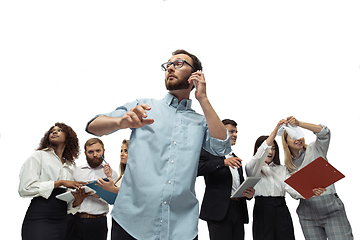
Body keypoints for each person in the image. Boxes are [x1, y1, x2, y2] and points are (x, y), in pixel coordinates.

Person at [86, 49, 231, 240]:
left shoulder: (201, 122)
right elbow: (93, 126)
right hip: (131, 223)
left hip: (181, 228)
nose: (170, 67)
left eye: (178, 63)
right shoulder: (143, 106)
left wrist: (203, 98)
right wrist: (122, 122)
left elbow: (222, 147)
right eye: (167, 65)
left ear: (195, 75)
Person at [281, 116, 353, 240]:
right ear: (286, 142)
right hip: (307, 214)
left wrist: (299, 123)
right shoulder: (287, 167)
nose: (298, 139)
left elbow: (324, 132)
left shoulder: (315, 148)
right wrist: (308, 192)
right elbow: (291, 191)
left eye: (299, 135)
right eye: (293, 137)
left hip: (331, 208)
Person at [19, 123, 84, 240]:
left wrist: (77, 202)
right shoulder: (39, 156)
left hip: (61, 219)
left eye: (59, 130)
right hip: (40, 217)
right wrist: (60, 183)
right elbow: (25, 189)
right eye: (52, 131)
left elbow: (69, 206)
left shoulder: (70, 166)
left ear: (68, 137)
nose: (54, 132)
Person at [198, 119, 255, 240]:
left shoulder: (235, 157)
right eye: (231, 131)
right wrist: (223, 162)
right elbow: (197, 169)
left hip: (238, 210)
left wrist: (247, 194)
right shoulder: (208, 152)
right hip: (218, 211)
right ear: (220, 132)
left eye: (236, 132)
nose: (235, 135)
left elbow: (237, 184)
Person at [66, 138, 119, 240]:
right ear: (85, 153)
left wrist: (99, 193)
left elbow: (115, 200)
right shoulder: (76, 171)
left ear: (103, 151)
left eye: (98, 151)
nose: (95, 155)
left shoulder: (112, 174)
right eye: (91, 152)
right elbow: (68, 197)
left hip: (98, 223)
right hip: (75, 220)